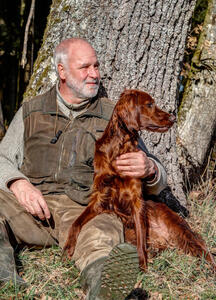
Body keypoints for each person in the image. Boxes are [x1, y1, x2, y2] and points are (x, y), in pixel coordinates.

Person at [0, 38, 167, 299]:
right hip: (31, 208)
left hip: (85, 210)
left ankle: (106, 289)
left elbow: (154, 173)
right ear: (62, 71)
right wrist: (17, 183)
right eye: (85, 67)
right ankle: (4, 279)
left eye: (96, 66)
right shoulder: (31, 111)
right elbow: (2, 158)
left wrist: (150, 168)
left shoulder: (115, 114)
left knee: (102, 235)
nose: (95, 74)